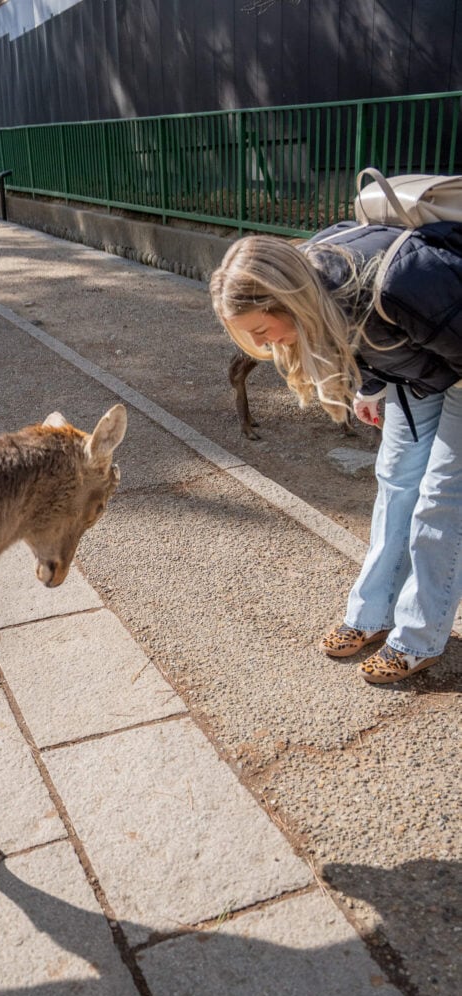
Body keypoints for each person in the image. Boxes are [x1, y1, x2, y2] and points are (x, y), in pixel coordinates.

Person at [210, 220, 462, 683]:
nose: (264, 345)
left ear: (286, 300)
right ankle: (373, 614)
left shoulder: (400, 283)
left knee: (442, 500)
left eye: (263, 330)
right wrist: (370, 389)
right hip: (424, 370)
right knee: (396, 482)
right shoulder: (314, 283)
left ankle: (419, 638)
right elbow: (348, 334)